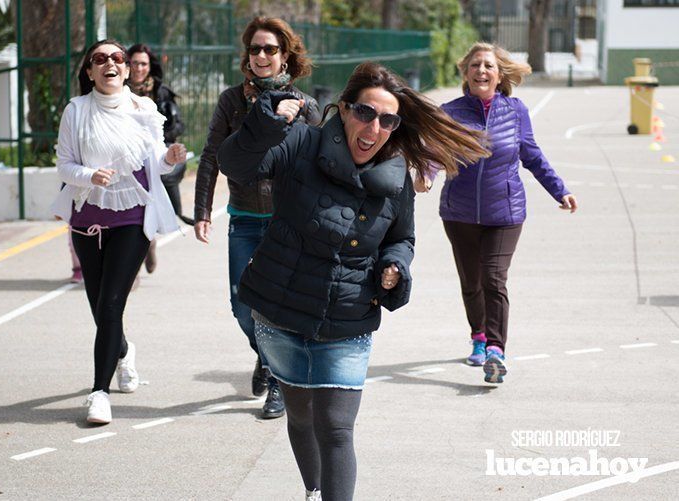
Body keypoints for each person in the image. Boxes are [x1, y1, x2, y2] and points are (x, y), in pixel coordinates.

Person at [218, 62, 488, 501]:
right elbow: (237, 163)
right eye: (365, 113)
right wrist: (268, 119)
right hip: (281, 310)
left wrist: (396, 266)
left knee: (337, 428)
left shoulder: (396, 176)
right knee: (301, 417)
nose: (374, 127)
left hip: (348, 316)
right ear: (343, 110)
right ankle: (313, 490)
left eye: (388, 120)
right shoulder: (299, 142)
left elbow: (403, 238)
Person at [51, 39, 186, 424]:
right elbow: (63, 166)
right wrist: (88, 174)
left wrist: (170, 158)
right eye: (100, 59)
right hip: (87, 219)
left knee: (112, 304)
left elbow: (157, 162)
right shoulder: (75, 111)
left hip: (133, 217)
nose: (110, 63)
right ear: (90, 71)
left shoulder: (144, 108)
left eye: (117, 58)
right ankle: (123, 352)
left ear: (127, 70)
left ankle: (99, 393)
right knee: (100, 309)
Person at [193, 17, 321, 419]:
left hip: (288, 221)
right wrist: (202, 210)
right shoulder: (232, 101)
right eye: (255, 49)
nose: (262, 56)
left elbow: (321, 159)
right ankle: (267, 356)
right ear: (247, 57)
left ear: (285, 55)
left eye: (270, 49)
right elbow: (213, 154)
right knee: (241, 304)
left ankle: (277, 378)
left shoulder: (305, 105)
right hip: (244, 217)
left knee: (281, 304)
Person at [436, 42, 578, 383]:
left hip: (506, 211)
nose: (481, 71)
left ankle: (496, 351)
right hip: (460, 212)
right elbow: (433, 152)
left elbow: (531, 155)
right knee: (471, 282)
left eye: (487, 66)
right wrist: (423, 175)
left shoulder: (515, 111)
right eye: (475, 66)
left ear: (499, 75)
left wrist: (560, 189)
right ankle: (479, 337)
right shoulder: (449, 111)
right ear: (466, 74)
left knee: (494, 278)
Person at [126, 43, 194, 275]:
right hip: (126, 159)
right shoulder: (117, 91)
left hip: (155, 158)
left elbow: (179, 124)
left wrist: (163, 139)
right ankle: (139, 254)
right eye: (134, 63)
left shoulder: (161, 92)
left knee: (151, 205)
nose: (138, 68)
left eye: (143, 63)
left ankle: (148, 242)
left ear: (150, 66)